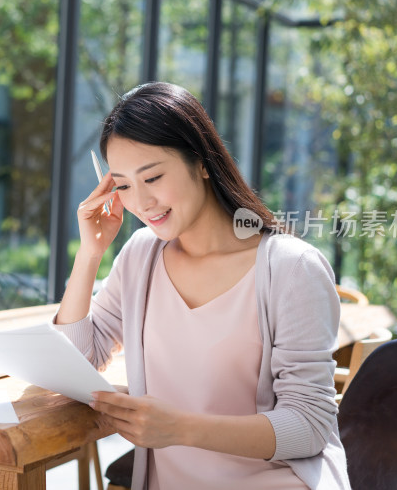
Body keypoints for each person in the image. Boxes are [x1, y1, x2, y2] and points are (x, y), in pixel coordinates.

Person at [53, 82, 349, 489]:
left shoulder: (290, 268)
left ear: (202, 162)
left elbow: (309, 425)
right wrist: (89, 254)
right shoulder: (141, 256)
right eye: (122, 185)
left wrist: (180, 429)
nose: (141, 203)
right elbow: (77, 365)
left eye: (153, 177)